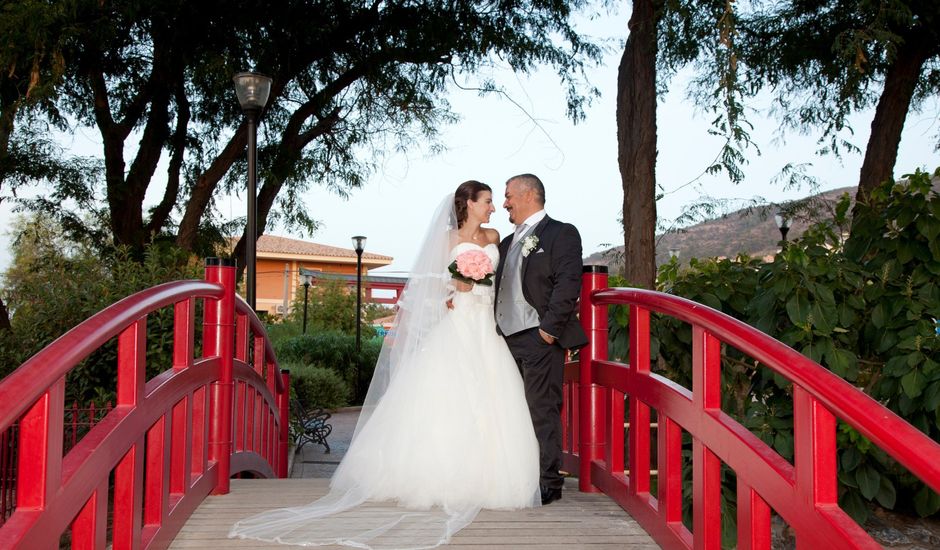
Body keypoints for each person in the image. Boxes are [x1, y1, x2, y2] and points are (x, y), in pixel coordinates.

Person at [230, 180, 540, 548]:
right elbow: (436, 284)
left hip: (488, 327)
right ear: (469, 204)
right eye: (487, 201)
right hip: (458, 324)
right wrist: (455, 290)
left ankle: (494, 479)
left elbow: (505, 282)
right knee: (448, 401)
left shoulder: (493, 236)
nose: (493, 207)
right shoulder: (446, 241)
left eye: (494, 201)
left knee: (494, 399)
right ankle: (438, 477)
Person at [494, 173, 588, 506]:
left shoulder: (561, 233)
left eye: (508, 196)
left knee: (541, 410)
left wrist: (548, 330)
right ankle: (517, 474)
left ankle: (549, 483)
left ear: (530, 194)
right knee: (509, 409)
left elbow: (568, 283)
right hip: (504, 340)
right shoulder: (506, 243)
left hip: (538, 338)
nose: (504, 203)